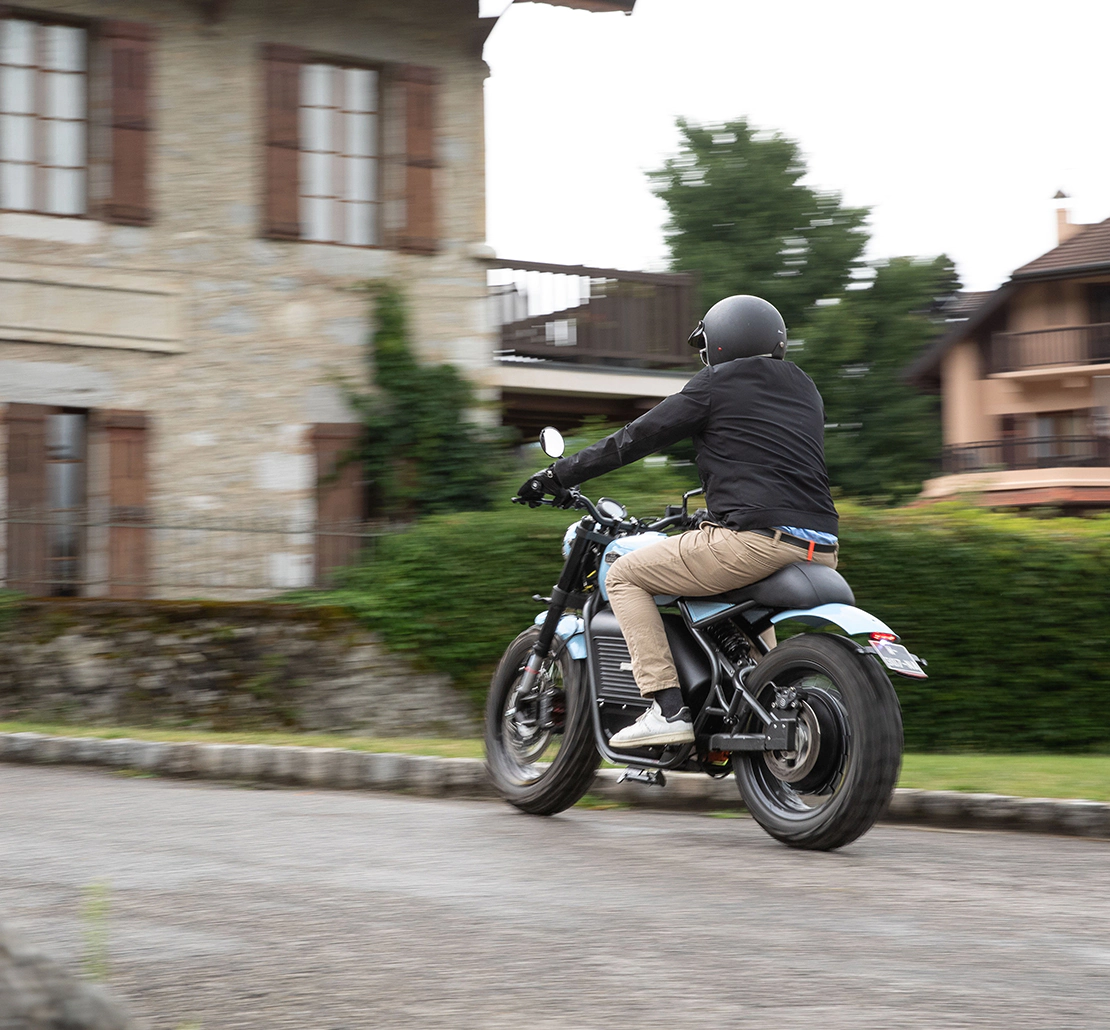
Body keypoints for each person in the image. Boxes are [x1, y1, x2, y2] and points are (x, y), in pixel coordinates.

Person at [517, 294, 839, 749]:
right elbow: (768, 462)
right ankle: (753, 702)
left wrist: (556, 475)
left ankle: (666, 708)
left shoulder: (715, 384)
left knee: (627, 575)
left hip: (753, 541)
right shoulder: (805, 388)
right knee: (734, 606)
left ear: (720, 344)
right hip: (820, 545)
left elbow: (634, 438)